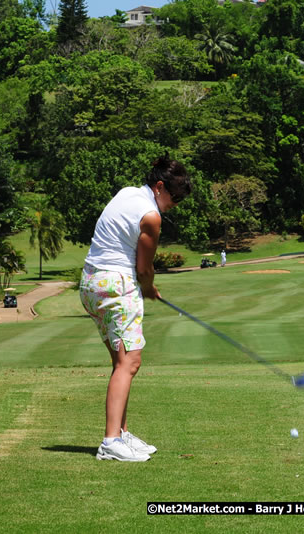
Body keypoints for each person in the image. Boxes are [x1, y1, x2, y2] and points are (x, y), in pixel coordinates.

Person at [79, 153, 191, 462]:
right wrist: (147, 288)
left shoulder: (127, 193)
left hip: (91, 283)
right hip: (116, 286)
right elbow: (144, 268)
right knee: (130, 363)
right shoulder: (151, 216)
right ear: (159, 187)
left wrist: (145, 285)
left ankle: (122, 434)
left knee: (120, 363)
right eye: (175, 197)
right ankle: (111, 440)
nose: (174, 205)